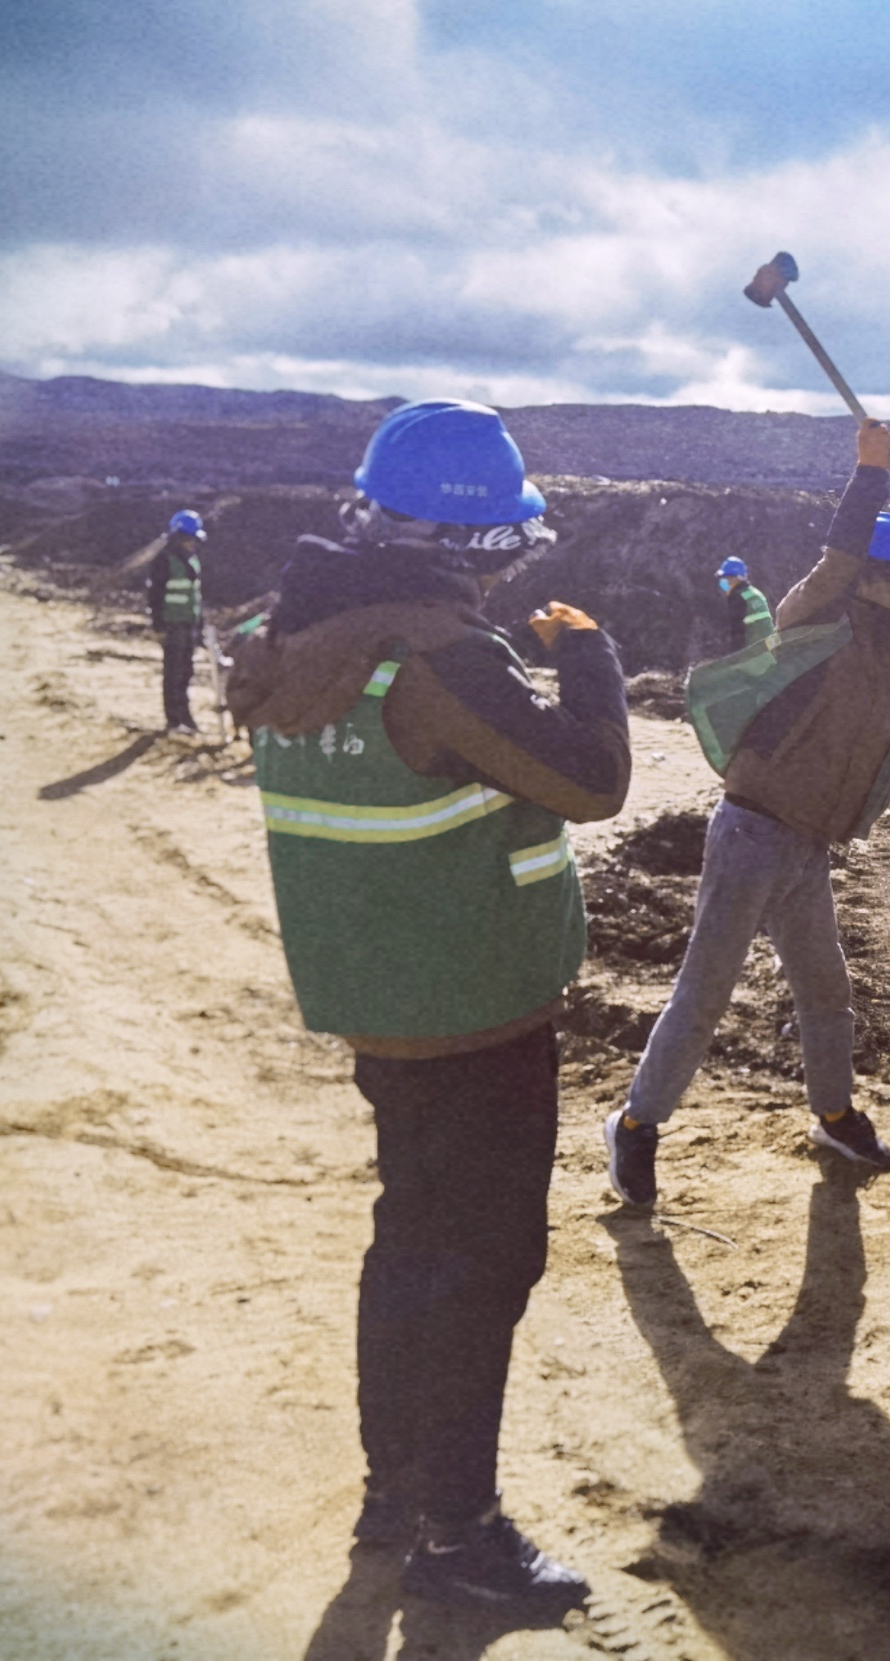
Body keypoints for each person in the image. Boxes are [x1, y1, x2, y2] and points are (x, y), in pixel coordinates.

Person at [227, 399, 631, 1615]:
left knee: (408, 1244)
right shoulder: (445, 663)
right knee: (483, 1264)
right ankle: (458, 1533)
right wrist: (591, 660)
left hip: (381, 1004)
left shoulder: (291, 640)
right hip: (475, 1010)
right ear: (473, 541)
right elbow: (592, 780)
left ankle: (393, 1493)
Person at [602, 419, 890, 1204]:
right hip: (751, 832)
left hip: (806, 847)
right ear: (867, 574)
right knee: (705, 990)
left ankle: (833, 1113)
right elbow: (835, 563)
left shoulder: (885, 657)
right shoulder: (811, 624)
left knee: (825, 991)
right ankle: (635, 1127)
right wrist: (868, 477)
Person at [150, 508, 206, 734]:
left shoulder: (192, 561)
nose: (192, 543)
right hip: (172, 624)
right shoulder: (163, 561)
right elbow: (155, 595)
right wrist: (159, 626)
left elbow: (196, 596)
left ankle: (186, 716)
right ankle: (174, 720)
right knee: (173, 672)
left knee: (186, 671)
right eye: (189, 538)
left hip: (188, 624)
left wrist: (199, 625)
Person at [718, 555, 774, 651]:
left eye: (726, 577)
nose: (723, 581)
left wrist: (733, 658)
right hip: (771, 648)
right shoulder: (755, 593)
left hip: (755, 651)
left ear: (736, 577)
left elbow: (737, 631)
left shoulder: (737, 597)